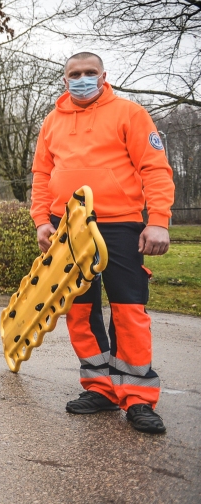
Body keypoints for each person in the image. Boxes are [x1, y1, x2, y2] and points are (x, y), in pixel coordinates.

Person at [31, 52, 174, 434]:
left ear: (103, 76)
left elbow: (155, 169)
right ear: (64, 80)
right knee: (79, 310)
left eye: (88, 73)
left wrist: (158, 221)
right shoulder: (52, 121)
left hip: (120, 225)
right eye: (74, 74)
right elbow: (42, 174)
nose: (81, 79)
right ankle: (100, 388)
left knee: (128, 310)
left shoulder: (129, 113)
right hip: (68, 227)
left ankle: (139, 398)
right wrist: (42, 220)